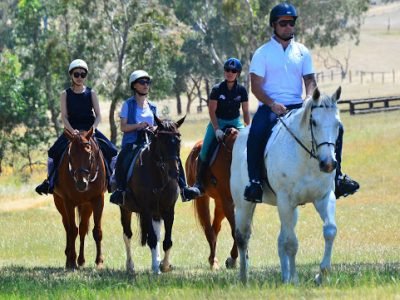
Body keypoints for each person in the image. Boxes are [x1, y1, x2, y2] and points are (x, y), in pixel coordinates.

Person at [244, 3, 360, 203]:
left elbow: (310, 80)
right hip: (271, 107)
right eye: (283, 23)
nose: (288, 27)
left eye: (291, 23)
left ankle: (337, 177)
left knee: (337, 128)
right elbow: (255, 86)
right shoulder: (262, 53)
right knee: (256, 132)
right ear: (274, 25)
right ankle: (254, 182)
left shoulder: (302, 51)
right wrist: (272, 104)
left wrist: (308, 98)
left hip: (299, 106)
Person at [109, 70, 201, 205]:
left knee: (174, 157)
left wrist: (155, 128)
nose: (146, 85)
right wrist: (138, 125)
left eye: (147, 82)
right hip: (133, 141)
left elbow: (156, 125)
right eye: (142, 82)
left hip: (150, 141)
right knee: (123, 157)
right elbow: (123, 127)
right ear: (134, 85)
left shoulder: (152, 106)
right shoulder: (128, 105)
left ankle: (184, 188)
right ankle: (121, 191)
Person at [35, 59, 118, 195]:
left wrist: (94, 129)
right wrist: (70, 130)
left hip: (90, 130)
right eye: (76, 74)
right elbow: (64, 117)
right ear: (71, 75)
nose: (80, 77)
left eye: (83, 74)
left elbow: (98, 115)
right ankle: (49, 183)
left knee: (113, 151)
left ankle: (112, 181)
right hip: (72, 130)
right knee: (52, 153)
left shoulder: (92, 93)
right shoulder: (65, 94)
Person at [185, 58, 250, 201]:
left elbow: (245, 111)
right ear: (224, 71)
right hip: (218, 122)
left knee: (250, 146)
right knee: (204, 150)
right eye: (227, 70)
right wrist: (216, 129)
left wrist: (247, 127)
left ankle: (253, 180)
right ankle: (199, 184)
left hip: (235, 122)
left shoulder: (242, 90)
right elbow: (212, 111)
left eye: (233, 71)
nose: (230, 73)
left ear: (238, 73)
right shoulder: (216, 89)